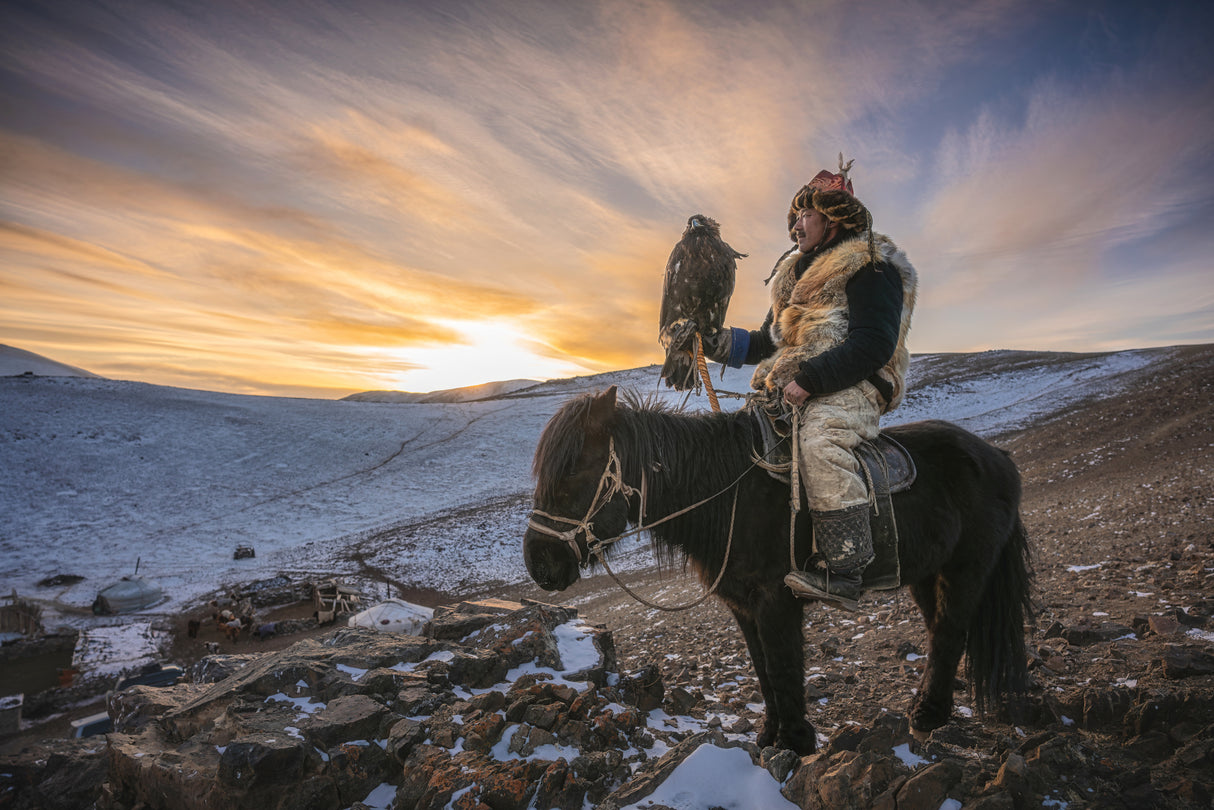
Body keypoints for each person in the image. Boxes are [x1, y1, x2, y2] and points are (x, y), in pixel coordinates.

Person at [703, 158, 918, 610]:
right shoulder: (793, 277)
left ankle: (846, 568)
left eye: (806, 215)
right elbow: (767, 342)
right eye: (796, 216)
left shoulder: (872, 266)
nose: (796, 226)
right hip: (794, 383)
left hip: (856, 383)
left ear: (834, 218)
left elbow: (874, 343)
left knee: (820, 442)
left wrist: (811, 378)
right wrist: (713, 342)